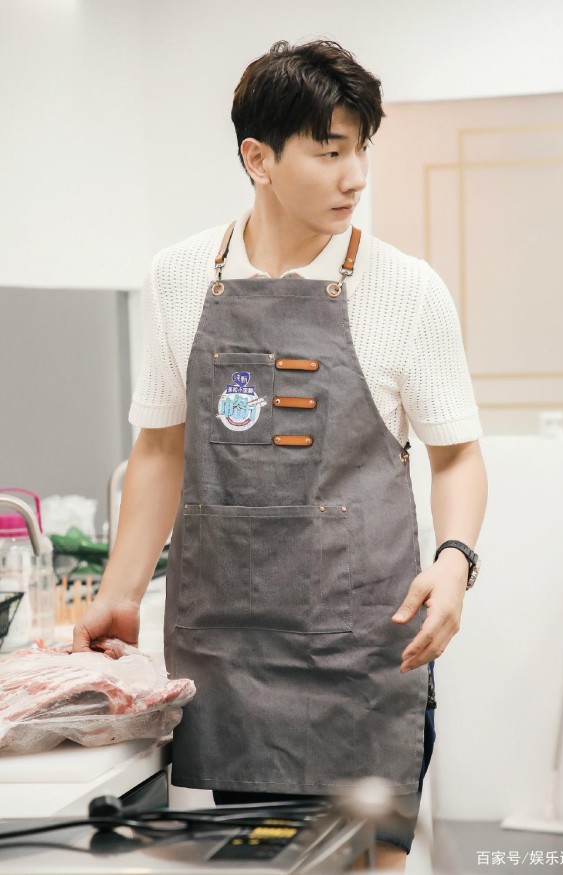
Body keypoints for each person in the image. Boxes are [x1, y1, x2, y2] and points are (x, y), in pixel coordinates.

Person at [73, 39, 488, 871]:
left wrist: (454, 559)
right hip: (232, 661)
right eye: (329, 152)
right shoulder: (181, 276)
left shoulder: (406, 289)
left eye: (361, 149)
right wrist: (120, 591)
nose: (354, 177)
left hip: (364, 660)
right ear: (257, 159)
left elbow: (456, 457)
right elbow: (160, 446)